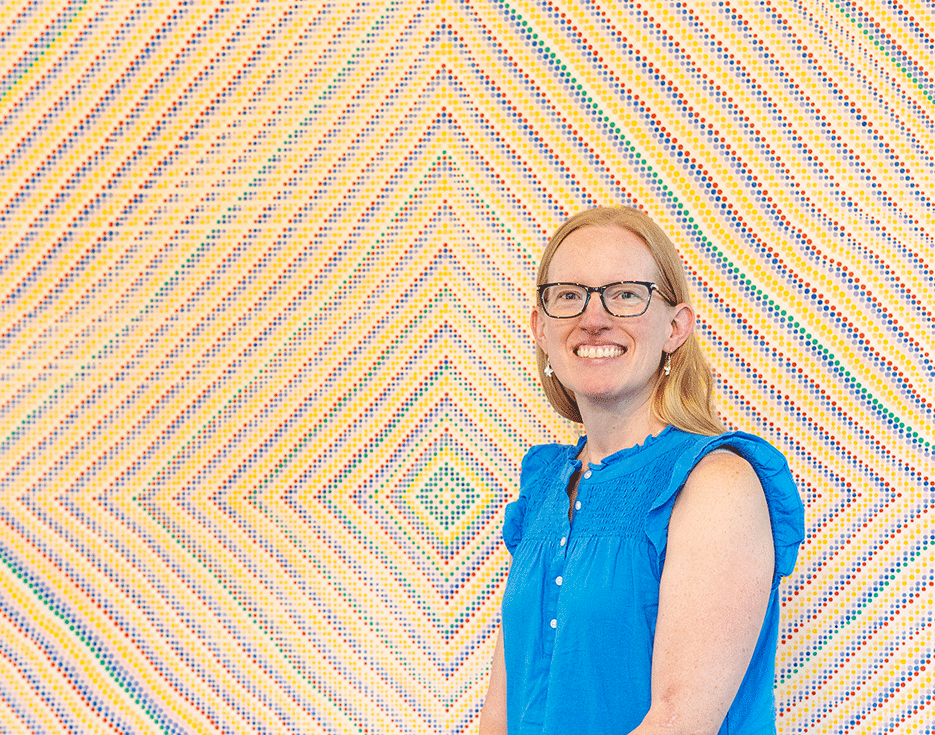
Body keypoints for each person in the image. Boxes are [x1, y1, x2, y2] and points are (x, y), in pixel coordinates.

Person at [478, 206, 805, 735]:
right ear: (540, 328)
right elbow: (499, 718)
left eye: (625, 294)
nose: (593, 317)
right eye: (569, 295)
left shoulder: (717, 484)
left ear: (676, 327)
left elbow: (681, 723)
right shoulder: (544, 490)